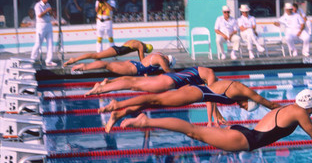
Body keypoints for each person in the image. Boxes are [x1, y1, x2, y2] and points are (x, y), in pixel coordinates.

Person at [120, 89, 312, 163]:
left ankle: (146, 121)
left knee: (195, 132)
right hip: (243, 139)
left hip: (243, 132)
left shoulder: (289, 107)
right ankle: (144, 121)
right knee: (192, 131)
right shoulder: (301, 113)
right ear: (311, 106)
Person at [99, 77, 281, 132]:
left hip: (198, 93)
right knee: (154, 100)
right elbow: (264, 101)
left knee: (154, 103)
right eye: (244, 106)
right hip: (196, 93)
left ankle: (119, 114)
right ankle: (118, 104)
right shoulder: (241, 89)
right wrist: (282, 109)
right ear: (246, 101)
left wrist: (216, 116)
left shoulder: (236, 93)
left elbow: (214, 96)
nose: (240, 107)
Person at [85, 66, 215, 96]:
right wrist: (212, 119)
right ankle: (101, 89)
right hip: (169, 82)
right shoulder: (211, 76)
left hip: (168, 79)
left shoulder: (205, 71)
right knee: (133, 85)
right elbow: (210, 97)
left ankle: (105, 85)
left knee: (134, 82)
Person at [70, 52, 174, 76]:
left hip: (134, 64)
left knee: (108, 64)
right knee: (107, 65)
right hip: (133, 68)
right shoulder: (160, 59)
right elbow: (167, 71)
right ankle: (83, 67)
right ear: (168, 61)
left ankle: (83, 66)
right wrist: (180, 74)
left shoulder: (158, 54)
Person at [63, 39, 154, 66]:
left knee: (96, 56)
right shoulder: (140, 46)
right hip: (116, 51)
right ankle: (74, 59)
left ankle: (75, 59)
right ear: (146, 49)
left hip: (116, 49)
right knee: (96, 55)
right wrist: (146, 74)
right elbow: (142, 61)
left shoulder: (136, 41)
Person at [30, 0, 56, 67]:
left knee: (50, 43)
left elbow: (51, 15)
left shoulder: (48, 5)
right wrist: (46, 11)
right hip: (41, 25)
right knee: (38, 43)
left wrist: (51, 12)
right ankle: (32, 59)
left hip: (48, 24)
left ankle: (49, 60)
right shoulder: (38, 5)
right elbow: (39, 15)